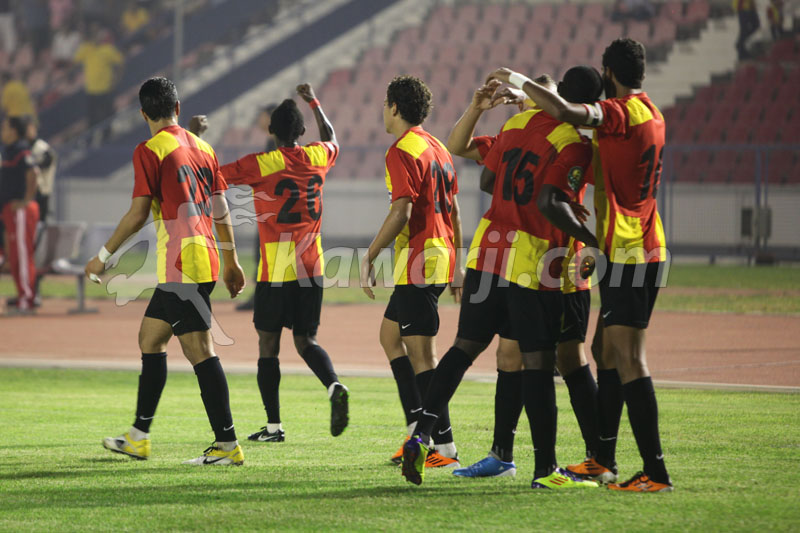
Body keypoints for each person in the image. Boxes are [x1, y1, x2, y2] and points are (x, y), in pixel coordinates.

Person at [487, 38, 672, 492]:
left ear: (609, 72)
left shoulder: (620, 113)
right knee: (606, 353)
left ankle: (655, 472)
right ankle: (602, 460)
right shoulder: (652, 115)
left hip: (627, 252)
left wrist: (517, 78)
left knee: (629, 359)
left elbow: (571, 112)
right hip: (645, 245)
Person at [400, 71, 599, 490]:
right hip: (532, 259)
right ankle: (546, 470)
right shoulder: (573, 143)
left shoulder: (514, 125)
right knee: (539, 364)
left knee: (462, 349)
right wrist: (593, 241)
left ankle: (422, 432)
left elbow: (487, 180)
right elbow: (550, 200)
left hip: (487, 249)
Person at [86, 77, 247, 466]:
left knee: (199, 351)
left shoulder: (150, 149)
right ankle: (139, 436)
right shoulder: (204, 148)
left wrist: (103, 256)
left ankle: (227, 445)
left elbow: (139, 212)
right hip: (204, 258)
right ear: (178, 107)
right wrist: (231, 260)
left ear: (144, 114)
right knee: (151, 338)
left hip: (182, 263)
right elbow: (221, 210)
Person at [216, 84, 349, 442]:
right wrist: (314, 102)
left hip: (276, 268)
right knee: (307, 340)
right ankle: (333, 384)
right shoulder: (319, 156)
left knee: (268, 345)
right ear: (302, 132)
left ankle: (274, 427)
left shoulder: (261, 163)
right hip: (312, 265)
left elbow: (216, 175)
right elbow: (332, 136)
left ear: (272, 132)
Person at [360, 75, 463, 469]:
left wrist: (370, 254)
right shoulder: (437, 147)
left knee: (424, 357)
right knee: (390, 337)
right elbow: (452, 209)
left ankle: (445, 448)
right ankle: (417, 430)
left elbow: (401, 211)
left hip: (421, 258)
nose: (383, 111)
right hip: (436, 255)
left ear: (396, 108)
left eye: (386, 104)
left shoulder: (402, 150)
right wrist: (456, 262)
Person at [235, 103, 278, 312]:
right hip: (271, 211)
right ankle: (265, 297)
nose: (259, 120)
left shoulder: (276, 145)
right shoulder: (277, 143)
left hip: (273, 213)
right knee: (264, 254)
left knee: (264, 254)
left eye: (262, 116)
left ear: (271, 118)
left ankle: (263, 298)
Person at [1, 116, 40, 314]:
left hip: (21, 210)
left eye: (5, 128)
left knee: (23, 256)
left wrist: (26, 200)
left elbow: (33, 172)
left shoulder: (21, 149)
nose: (2, 131)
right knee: (15, 255)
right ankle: (22, 296)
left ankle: (27, 299)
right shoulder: (8, 151)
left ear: (14, 130)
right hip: (11, 210)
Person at [73, 23, 124, 135]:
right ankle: (90, 140)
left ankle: (107, 138)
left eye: (96, 34)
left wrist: (116, 79)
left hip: (106, 89)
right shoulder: (86, 49)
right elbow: (74, 61)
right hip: (91, 90)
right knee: (92, 119)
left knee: (108, 117)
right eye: (92, 34)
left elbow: (120, 63)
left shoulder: (107, 49)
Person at [25, 118, 57, 223]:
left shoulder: (42, 147)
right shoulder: (24, 147)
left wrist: (33, 165)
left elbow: (48, 161)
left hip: (41, 191)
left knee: (39, 223)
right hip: (28, 192)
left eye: (29, 128)